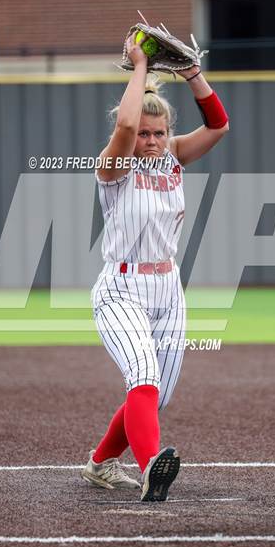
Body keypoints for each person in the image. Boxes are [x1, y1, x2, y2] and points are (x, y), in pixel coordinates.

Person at [81, 31, 229, 501]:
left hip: (168, 290)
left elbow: (219, 126)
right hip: (120, 289)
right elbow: (123, 129)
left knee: (155, 395)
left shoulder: (173, 158)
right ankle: (151, 469)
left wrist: (192, 75)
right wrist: (139, 65)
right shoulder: (114, 165)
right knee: (142, 377)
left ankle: (101, 464)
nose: (151, 139)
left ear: (169, 134)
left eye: (159, 132)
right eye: (145, 133)